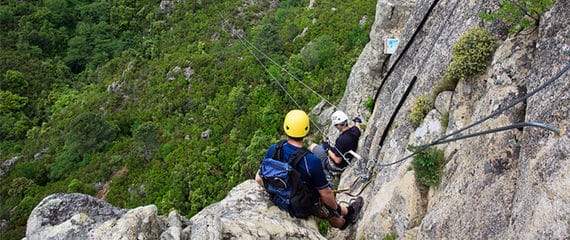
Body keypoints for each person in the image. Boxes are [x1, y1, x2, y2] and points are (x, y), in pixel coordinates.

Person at [255, 109, 363, 230]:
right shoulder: (311, 161)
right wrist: (335, 208)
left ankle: (347, 211)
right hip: (303, 203)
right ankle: (345, 220)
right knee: (332, 214)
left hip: (280, 198)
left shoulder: (274, 149)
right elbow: (326, 193)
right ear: (306, 130)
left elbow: (259, 178)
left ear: (286, 128)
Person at [309, 110, 362, 182]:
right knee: (322, 147)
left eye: (336, 125)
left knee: (312, 147)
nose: (336, 127)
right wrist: (357, 121)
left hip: (338, 165)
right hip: (345, 154)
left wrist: (328, 150)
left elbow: (337, 161)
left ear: (339, 125)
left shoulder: (341, 140)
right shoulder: (354, 131)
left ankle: (326, 174)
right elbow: (358, 127)